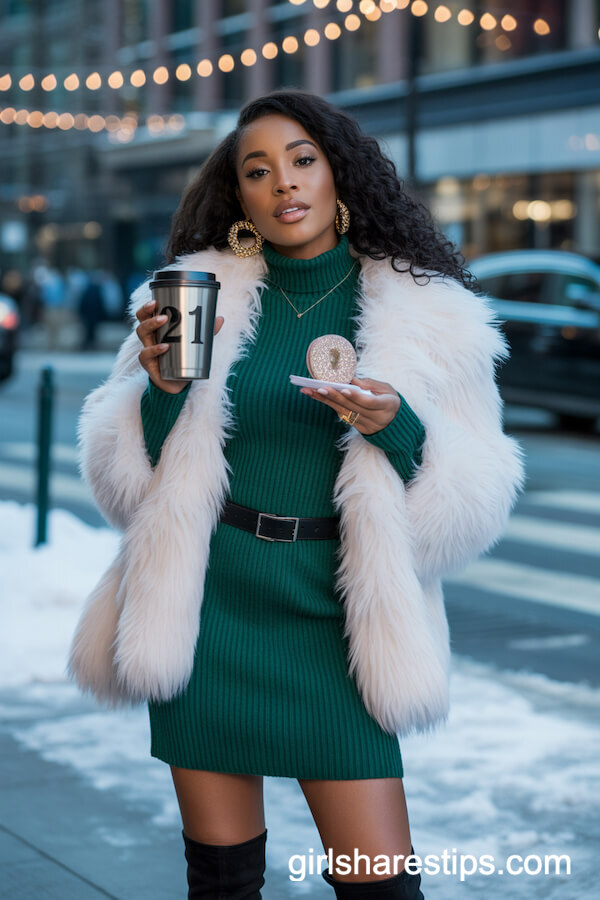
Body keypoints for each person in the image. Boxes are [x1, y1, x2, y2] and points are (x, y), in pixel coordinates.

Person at [68, 90, 525, 899]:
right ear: (238, 194)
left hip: (338, 621)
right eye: (258, 170)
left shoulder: (434, 319)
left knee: (379, 886)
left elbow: (473, 502)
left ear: (338, 173)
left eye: (302, 160)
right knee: (222, 883)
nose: (284, 183)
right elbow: (123, 485)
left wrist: (396, 427)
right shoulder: (189, 295)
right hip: (209, 610)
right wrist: (163, 387)